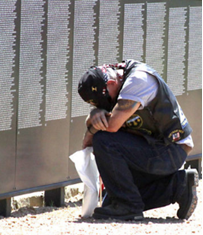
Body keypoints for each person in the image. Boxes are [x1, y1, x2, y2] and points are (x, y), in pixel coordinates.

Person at [78, 59, 199, 221]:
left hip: (171, 150)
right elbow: (95, 130)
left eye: (105, 100)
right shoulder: (114, 84)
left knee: (104, 140)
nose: (105, 105)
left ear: (112, 82)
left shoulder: (138, 80)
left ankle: (128, 207)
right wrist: (94, 115)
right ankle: (179, 186)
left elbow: (111, 126)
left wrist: (92, 124)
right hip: (152, 147)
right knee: (112, 200)